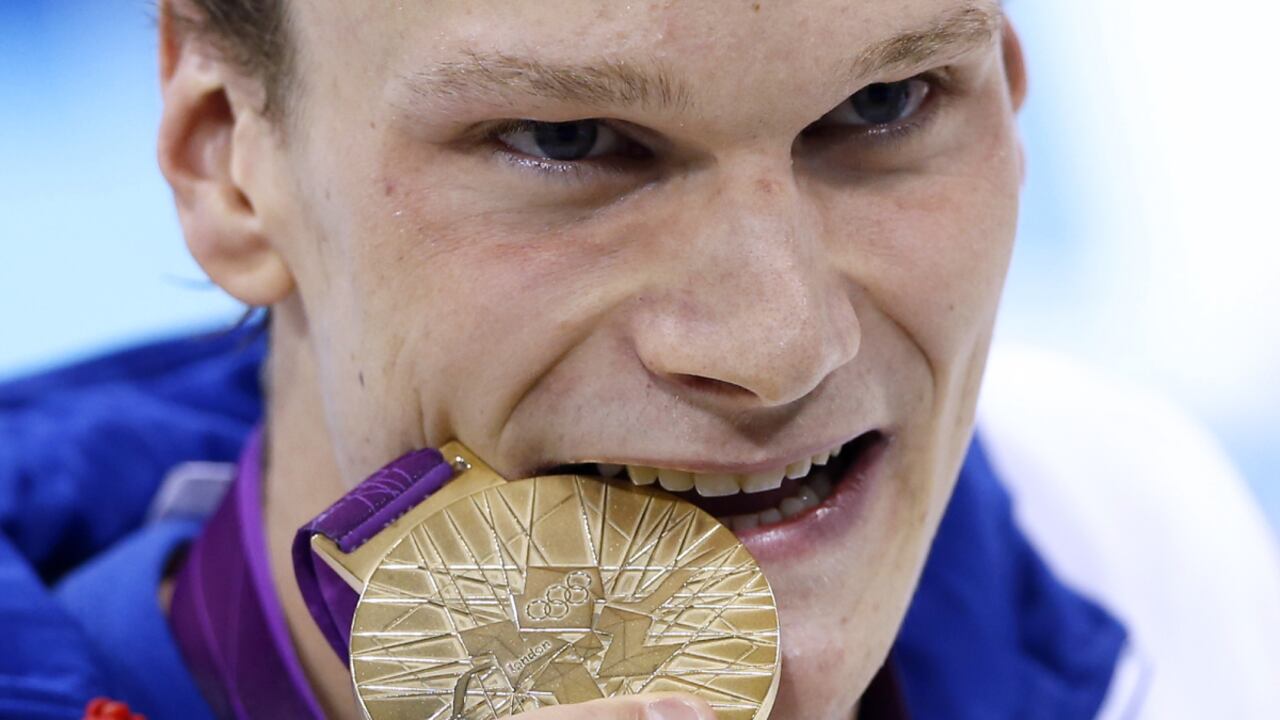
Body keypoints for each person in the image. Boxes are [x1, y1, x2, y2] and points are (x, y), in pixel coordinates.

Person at [2, 0, 1277, 718]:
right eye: (567, 137)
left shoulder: (1119, 532)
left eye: (881, 107)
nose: (777, 350)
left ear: (1009, 84)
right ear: (226, 156)